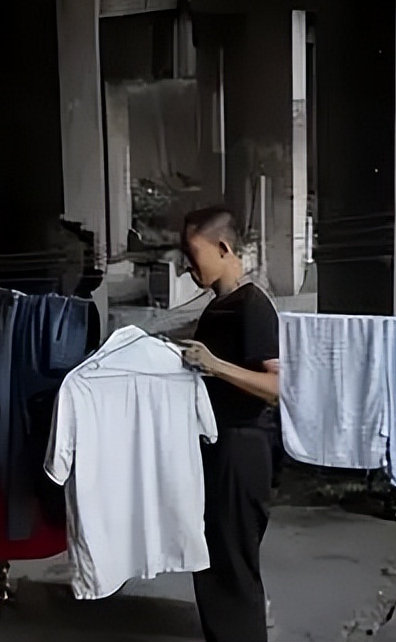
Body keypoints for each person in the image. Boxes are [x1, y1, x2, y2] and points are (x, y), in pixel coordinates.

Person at [177, 207, 280, 642]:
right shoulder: (218, 308)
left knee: (233, 565)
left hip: (242, 448)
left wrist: (215, 365)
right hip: (217, 447)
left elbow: (275, 386)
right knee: (216, 559)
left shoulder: (252, 306)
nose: (187, 264)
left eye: (191, 252)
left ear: (223, 248)